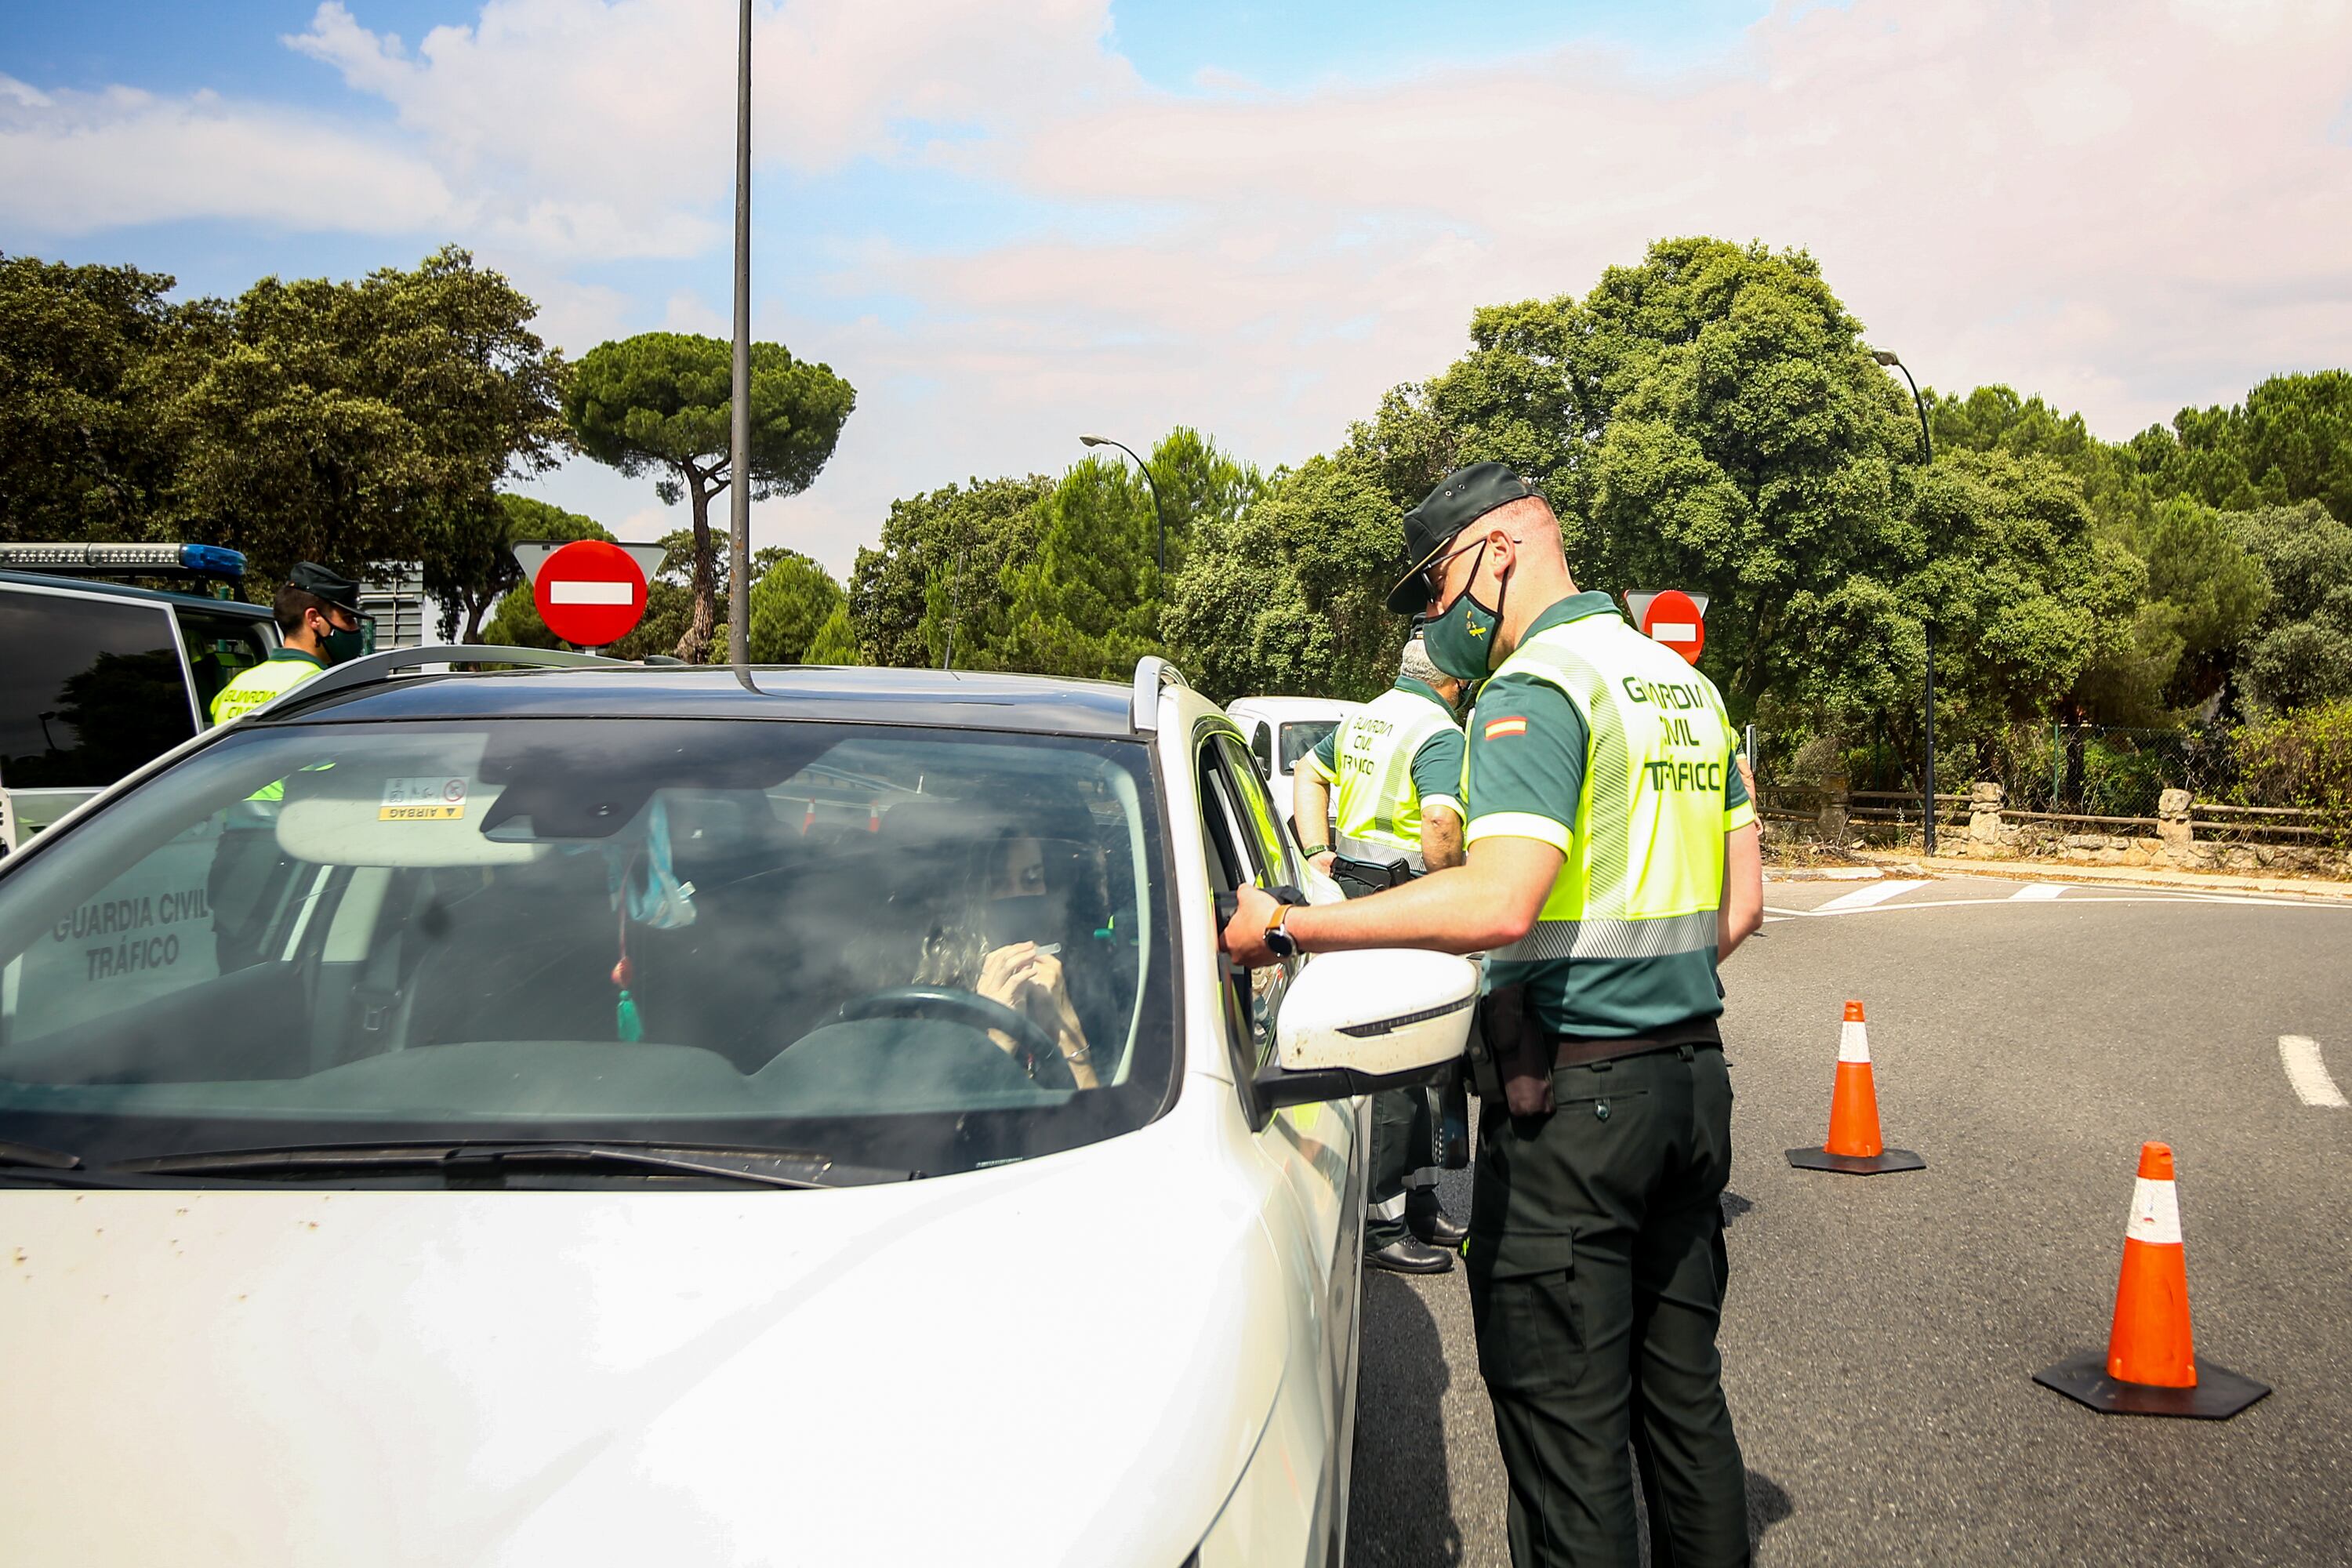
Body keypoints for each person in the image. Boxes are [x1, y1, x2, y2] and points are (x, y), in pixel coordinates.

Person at [1221, 462, 1766, 1568]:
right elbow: (1741, 903)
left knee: (1569, 1447)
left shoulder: (1537, 688)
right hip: (1691, 1086)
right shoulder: (1683, 689)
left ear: (1499, 551)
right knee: (1684, 1410)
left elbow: (1498, 897)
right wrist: (1640, 984)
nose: (1435, 617)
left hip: (1575, 1106)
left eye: (1434, 586)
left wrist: (1287, 927)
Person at [1293, 637, 1472, 1273]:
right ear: (1453, 679)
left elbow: (1310, 772)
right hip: (1410, 902)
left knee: (1416, 1058)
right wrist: (1456, 890)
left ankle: (1419, 1199)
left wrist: (1316, 849)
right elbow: (1442, 829)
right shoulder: (1439, 732)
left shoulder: (1366, 715)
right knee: (1407, 1057)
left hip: (1359, 895)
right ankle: (1384, 1221)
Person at [916, 829, 1102, 1089]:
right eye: (997, 883)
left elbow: (1103, 1116)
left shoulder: (1079, 980)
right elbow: (945, 1125)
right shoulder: (941, 996)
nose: (1017, 897)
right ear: (972, 896)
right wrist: (999, 1034)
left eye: (1033, 879)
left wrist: (1066, 1028)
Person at [209, 562, 366, 725]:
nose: (354, 628)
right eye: (347, 619)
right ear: (313, 619)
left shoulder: (234, 687)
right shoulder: (324, 688)